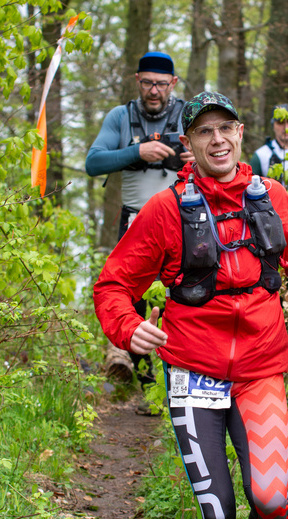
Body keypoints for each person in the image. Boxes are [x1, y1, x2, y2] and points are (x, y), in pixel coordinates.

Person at [93, 91, 288, 519]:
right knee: (217, 514)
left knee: (271, 500)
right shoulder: (164, 210)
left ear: (241, 133)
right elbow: (113, 284)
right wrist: (126, 326)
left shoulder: (272, 196)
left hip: (260, 367)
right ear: (189, 143)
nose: (217, 140)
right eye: (204, 131)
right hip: (193, 370)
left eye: (226, 128)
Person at [85, 51, 192, 412]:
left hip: (183, 220)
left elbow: (221, 154)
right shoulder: (122, 116)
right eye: (147, 82)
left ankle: (180, 386)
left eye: (161, 84)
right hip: (136, 223)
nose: (153, 90)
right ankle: (149, 391)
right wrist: (136, 151)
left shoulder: (187, 115)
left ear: (173, 84)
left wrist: (196, 160)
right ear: (137, 80)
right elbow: (93, 162)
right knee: (135, 302)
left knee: (182, 298)